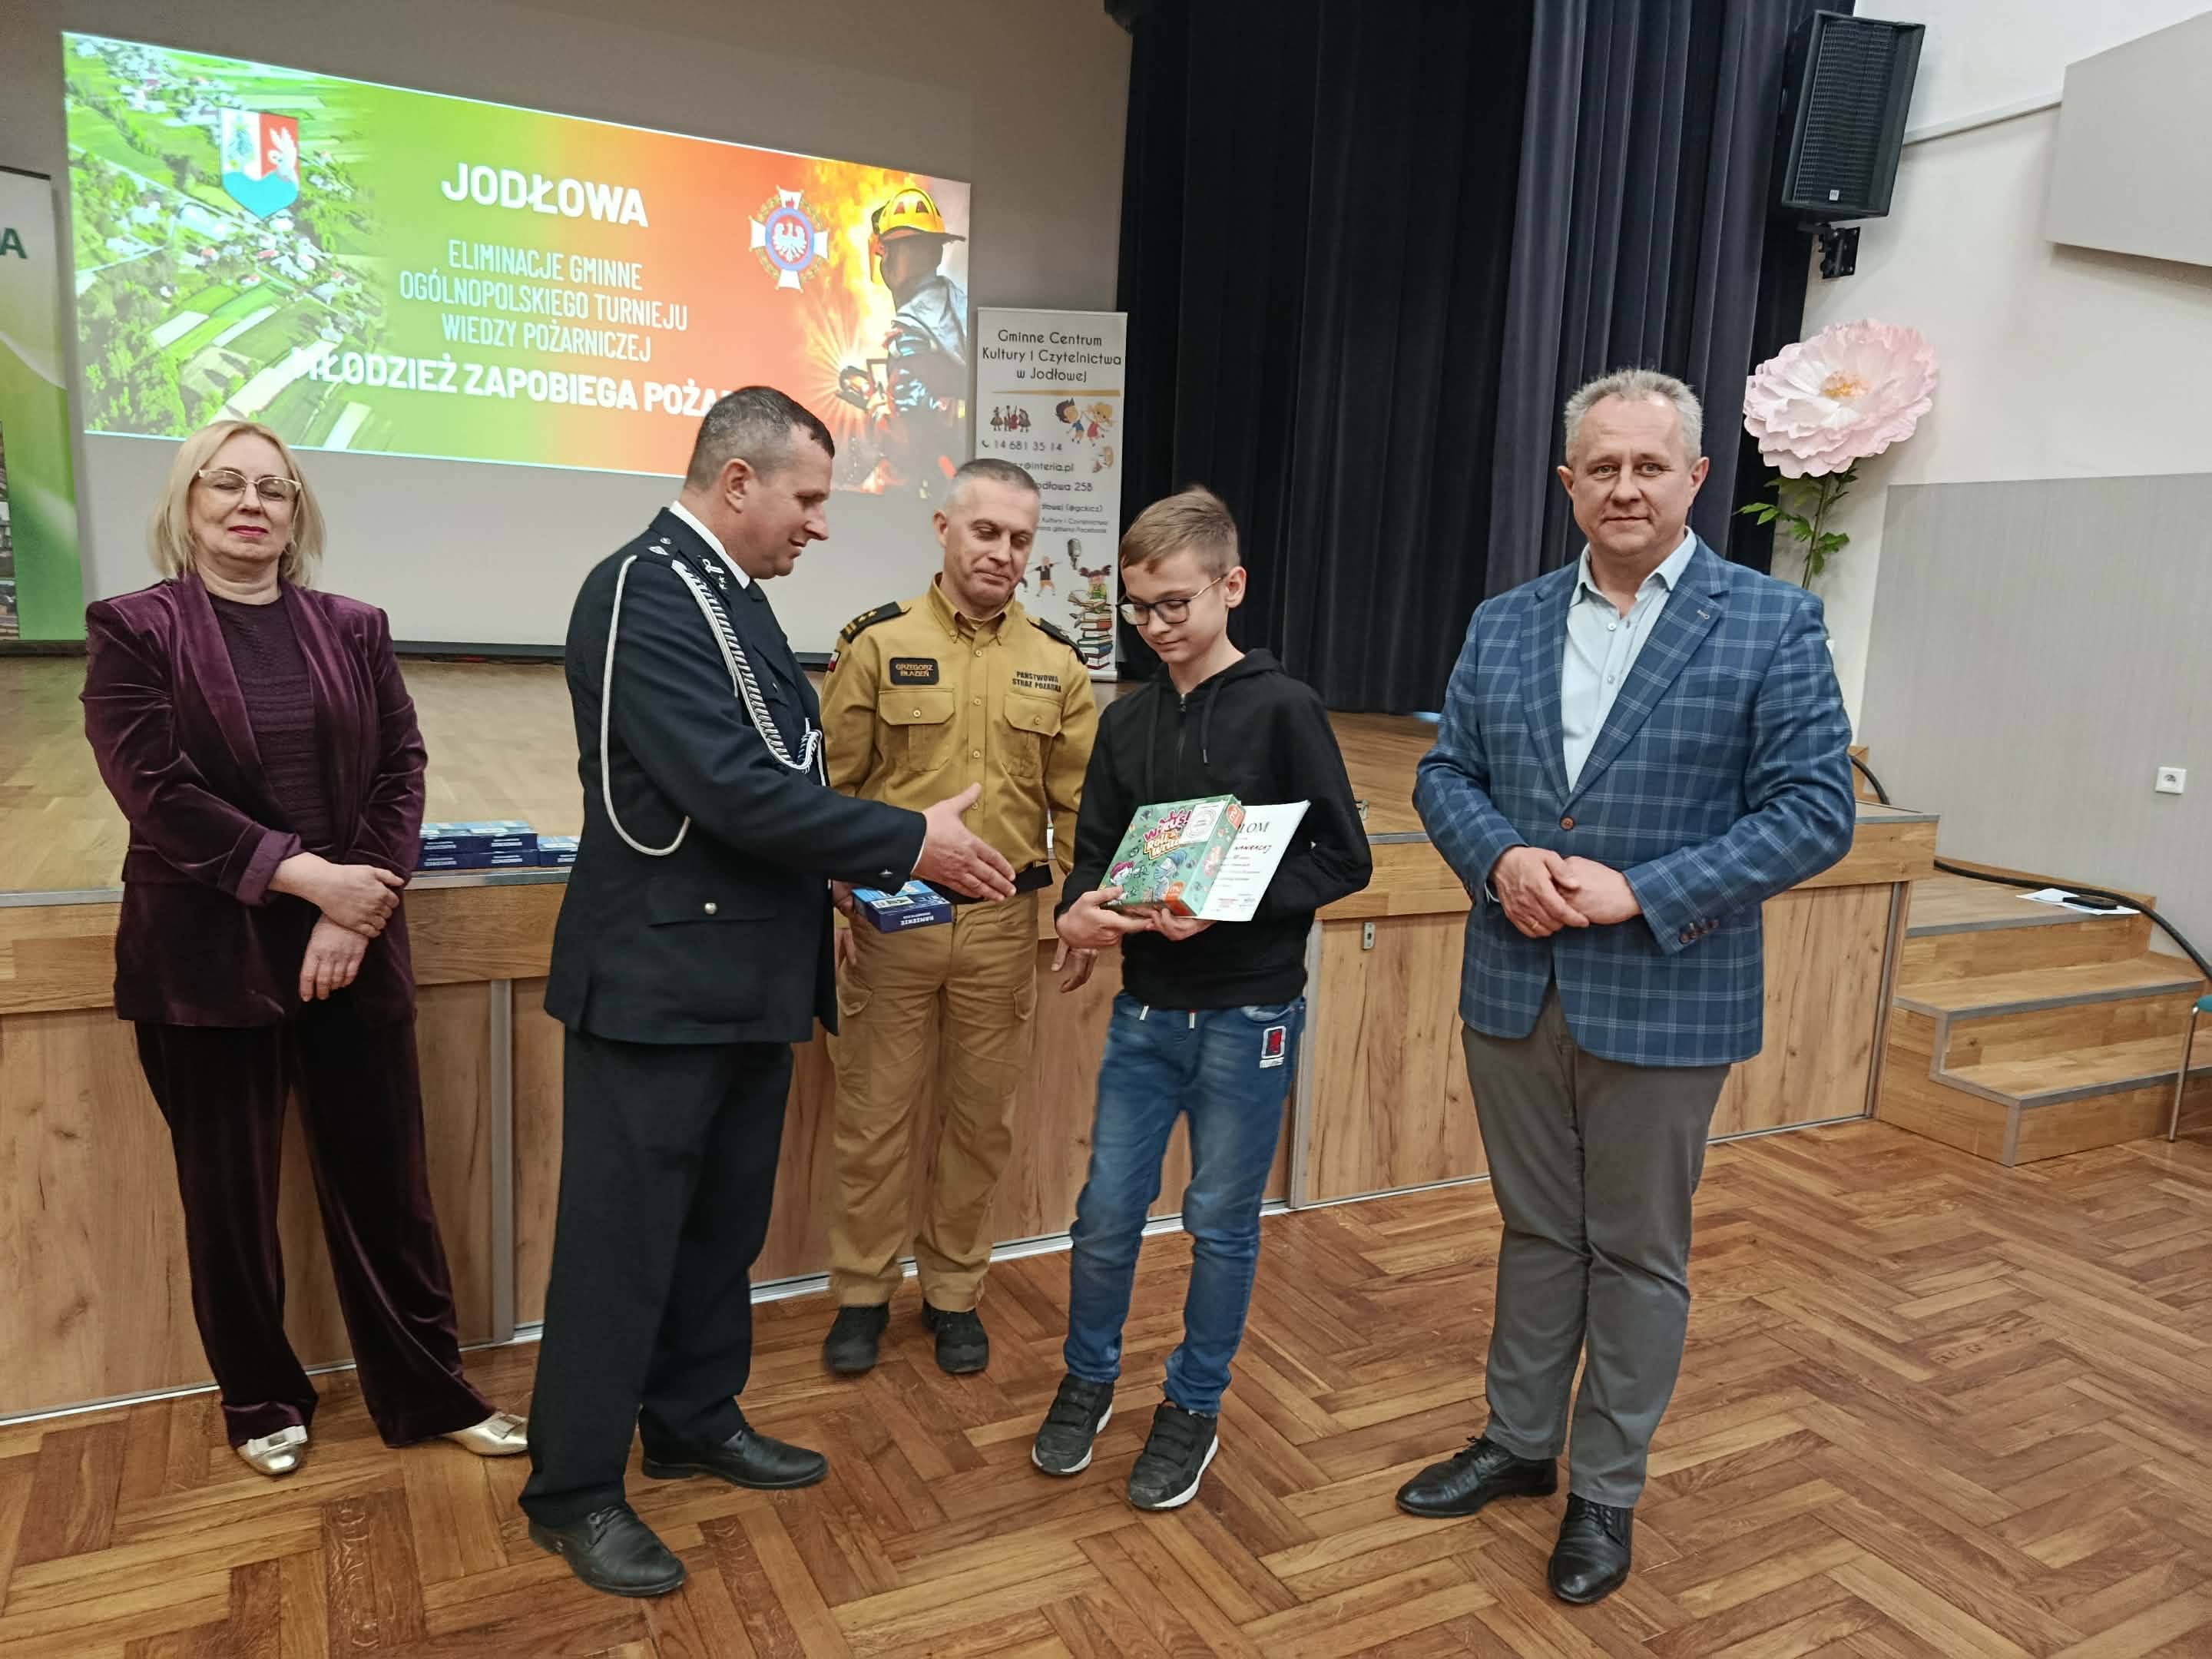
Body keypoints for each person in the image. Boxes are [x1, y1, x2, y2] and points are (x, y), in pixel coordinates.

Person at [520, 388, 1015, 1600]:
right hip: (659, 983)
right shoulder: (643, 589)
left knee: (718, 1232)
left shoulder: (730, 597)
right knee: (621, 1249)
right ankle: (574, 1490)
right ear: (735, 481)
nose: (820, 525)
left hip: (745, 973)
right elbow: (729, 788)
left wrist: (839, 869)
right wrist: (903, 842)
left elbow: (779, 779)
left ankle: (692, 1419)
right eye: (808, 498)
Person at [1398, 369, 1855, 1604]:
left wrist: (1642, 891)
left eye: (1650, 465)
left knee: (1638, 1253)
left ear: (1696, 477)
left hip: (1667, 989)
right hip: (1514, 978)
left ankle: (1605, 1491)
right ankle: (1519, 1442)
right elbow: (1445, 775)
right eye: (1602, 467)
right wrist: (1500, 858)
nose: (1626, 487)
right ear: (1568, 484)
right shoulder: (1503, 621)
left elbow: (1816, 813)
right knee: (1539, 1231)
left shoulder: (1771, 623)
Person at [80, 420, 525, 1481]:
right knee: (229, 1203)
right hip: (204, 960)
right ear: (187, 504)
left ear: (297, 513)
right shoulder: (133, 628)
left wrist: (348, 911)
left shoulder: (354, 627)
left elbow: (400, 768)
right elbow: (157, 793)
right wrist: (312, 879)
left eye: (274, 489)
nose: (252, 504)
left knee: (388, 1188)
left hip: (352, 951)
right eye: (226, 484)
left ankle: (427, 1392)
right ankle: (259, 1398)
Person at [1031, 486, 1371, 1511]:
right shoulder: (1126, 721)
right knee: (1104, 1215)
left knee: (1221, 1222)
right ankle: (1089, 1378)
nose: (1155, 626)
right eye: (1138, 608)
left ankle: (1193, 1404)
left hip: (1250, 1013)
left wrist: (1225, 904)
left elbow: (1344, 858)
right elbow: (1094, 858)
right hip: (1146, 1012)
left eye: (1174, 603)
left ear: (1232, 586)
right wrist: (1082, 912)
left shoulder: (1284, 708)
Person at [816, 459, 1097, 1377]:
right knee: (874, 1117)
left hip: (1002, 924)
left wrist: (1078, 908)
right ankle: (863, 1293)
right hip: (890, 919)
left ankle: (954, 1293)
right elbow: (833, 786)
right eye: (986, 532)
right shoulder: (875, 644)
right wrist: (834, 895)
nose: (1003, 553)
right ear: (944, 528)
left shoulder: (1056, 663)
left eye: (1020, 539)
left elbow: (1079, 804)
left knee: (980, 1123)